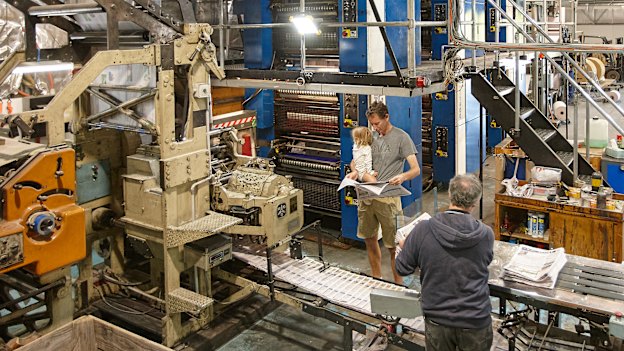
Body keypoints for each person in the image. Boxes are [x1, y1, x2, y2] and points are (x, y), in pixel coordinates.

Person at [395, 173, 494, 351]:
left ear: (449, 195)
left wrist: (404, 246)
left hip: (438, 320)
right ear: (475, 203)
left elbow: (402, 267)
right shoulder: (486, 234)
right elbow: (485, 260)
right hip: (475, 320)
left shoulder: (423, 230)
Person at [346, 101, 420, 284]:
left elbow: (416, 169)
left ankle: (398, 285)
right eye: (372, 124)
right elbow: (355, 161)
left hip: (388, 198)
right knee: (369, 240)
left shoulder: (402, 138)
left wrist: (402, 177)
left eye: (377, 123)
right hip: (367, 197)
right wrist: (354, 170)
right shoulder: (370, 137)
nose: (374, 127)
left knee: (393, 246)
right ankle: (376, 279)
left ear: (387, 117)